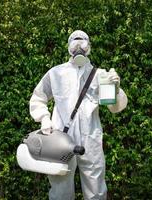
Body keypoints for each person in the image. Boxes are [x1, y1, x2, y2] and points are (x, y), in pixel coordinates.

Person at [29, 30, 128, 200]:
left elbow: (115, 108)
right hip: (61, 138)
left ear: (89, 47)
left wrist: (116, 90)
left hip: (91, 139)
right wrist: (44, 119)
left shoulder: (100, 75)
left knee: (95, 188)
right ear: (69, 48)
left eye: (83, 43)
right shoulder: (56, 73)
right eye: (74, 43)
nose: (79, 47)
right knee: (60, 189)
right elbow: (38, 97)